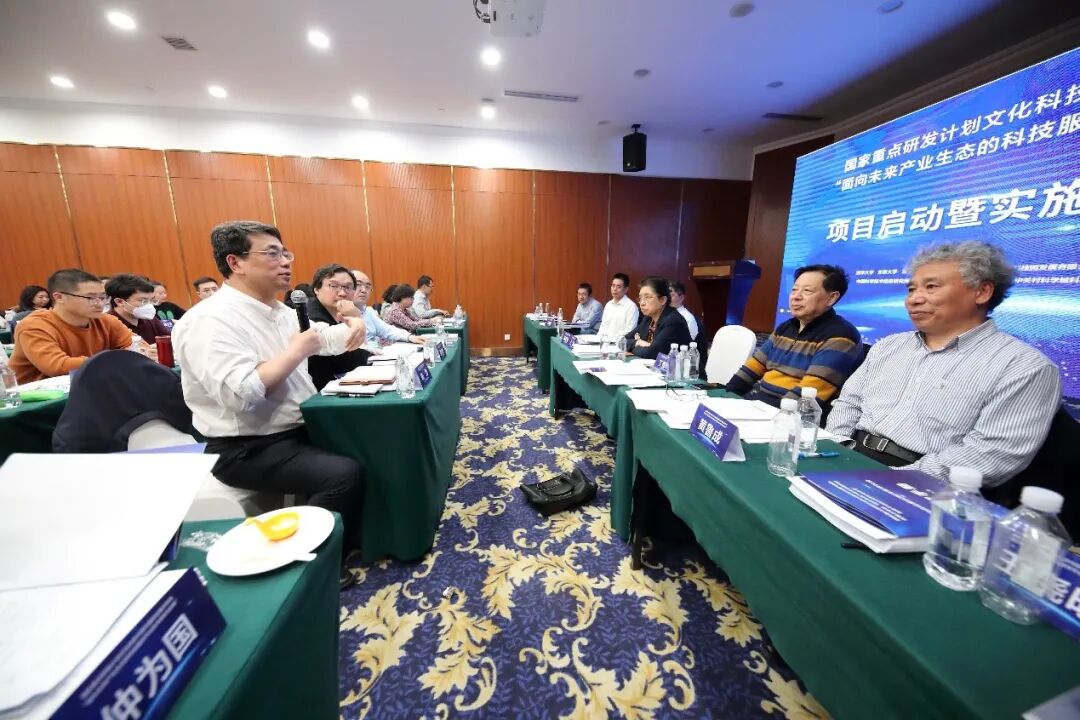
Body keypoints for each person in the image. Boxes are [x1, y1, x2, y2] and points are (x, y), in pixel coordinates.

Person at [172, 221, 368, 588]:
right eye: (272, 254)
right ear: (236, 262)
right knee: (342, 474)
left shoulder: (280, 311)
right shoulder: (209, 320)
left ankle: (355, 537)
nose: (286, 262)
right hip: (247, 446)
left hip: (294, 429)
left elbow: (328, 341)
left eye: (285, 253)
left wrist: (354, 325)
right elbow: (240, 395)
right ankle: (309, 565)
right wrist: (294, 352)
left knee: (371, 444)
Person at [826, 241, 1061, 487]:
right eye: (911, 289)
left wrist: (892, 480)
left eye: (931, 287)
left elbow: (990, 454)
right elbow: (849, 402)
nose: (914, 299)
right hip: (847, 455)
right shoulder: (889, 345)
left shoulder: (1024, 366)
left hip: (925, 484)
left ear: (982, 292)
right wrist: (835, 448)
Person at [726, 264, 862, 408]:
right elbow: (752, 368)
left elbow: (806, 397)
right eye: (794, 290)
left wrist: (764, 411)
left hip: (791, 414)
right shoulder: (785, 328)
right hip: (759, 405)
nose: (796, 297)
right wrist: (727, 396)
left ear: (831, 298)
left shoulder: (841, 336)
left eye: (807, 291)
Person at [9, 268, 136, 383]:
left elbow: (138, 347)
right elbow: (58, 367)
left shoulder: (105, 320)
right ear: (59, 297)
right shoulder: (34, 326)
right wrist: (115, 360)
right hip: (39, 398)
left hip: (91, 386)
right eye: (90, 298)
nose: (99, 304)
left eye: (103, 297)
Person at [305, 264, 374, 390]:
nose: (342, 293)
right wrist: (356, 317)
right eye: (333, 286)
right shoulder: (310, 316)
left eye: (348, 287)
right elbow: (354, 360)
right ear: (316, 289)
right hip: (322, 391)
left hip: (344, 384)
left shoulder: (342, 311)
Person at [351, 272, 426, 351]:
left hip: (378, 351)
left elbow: (386, 329)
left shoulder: (368, 311)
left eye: (367, 286)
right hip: (370, 353)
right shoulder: (394, 310)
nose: (364, 290)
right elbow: (411, 325)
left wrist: (409, 337)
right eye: (358, 284)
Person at [625, 276, 691, 360]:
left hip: (679, 367)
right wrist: (637, 342)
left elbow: (651, 353)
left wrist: (634, 347)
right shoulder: (648, 319)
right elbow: (623, 341)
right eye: (640, 298)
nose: (642, 303)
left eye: (647, 297)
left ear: (662, 300)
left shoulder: (673, 321)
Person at [107, 274, 172, 346]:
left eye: (151, 300)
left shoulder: (150, 320)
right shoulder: (107, 325)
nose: (149, 305)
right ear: (120, 302)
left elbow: (171, 341)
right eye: (143, 301)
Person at [597, 273, 640, 339]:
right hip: (604, 342)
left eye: (618, 287)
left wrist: (611, 340)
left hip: (620, 343)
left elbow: (630, 332)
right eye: (613, 285)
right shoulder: (608, 305)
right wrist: (597, 340)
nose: (614, 289)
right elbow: (603, 327)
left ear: (626, 289)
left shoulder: (631, 307)